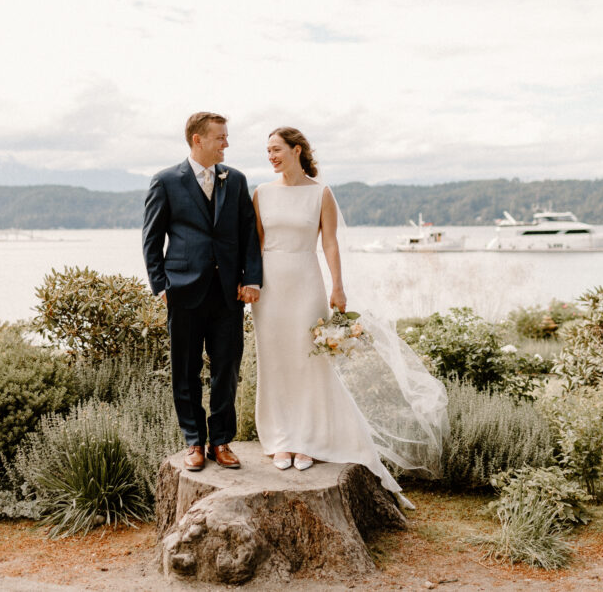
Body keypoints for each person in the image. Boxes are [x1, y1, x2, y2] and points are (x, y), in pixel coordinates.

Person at [251, 126, 448, 496]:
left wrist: (338, 285)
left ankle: (308, 439)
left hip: (306, 281)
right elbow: (256, 243)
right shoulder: (261, 193)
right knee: (275, 360)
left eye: (277, 149)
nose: (271, 156)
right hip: (270, 287)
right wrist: (250, 283)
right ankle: (281, 438)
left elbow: (329, 243)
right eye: (268, 151)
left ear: (296, 150)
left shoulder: (321, 193)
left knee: (308, 361)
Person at [142, 112, 263, 472]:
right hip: (183, 291)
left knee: (227, 369)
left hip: (229, 293)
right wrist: (160, 286)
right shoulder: (165, 181)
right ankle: (193, 442)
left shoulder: (236, 180)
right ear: (198, 139)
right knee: (185, 370)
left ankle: (221, 441)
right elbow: (152, 239)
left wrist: (252, 278)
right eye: (220, 137)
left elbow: (248, 234)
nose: (226, 143)